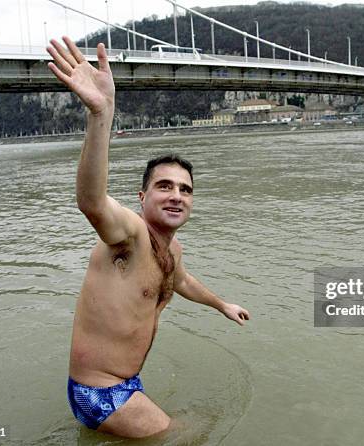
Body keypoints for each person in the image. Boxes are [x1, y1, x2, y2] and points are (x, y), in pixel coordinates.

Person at [46, 37, 250, 439]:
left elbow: (183, 281)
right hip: (99, 392)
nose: (177, 195)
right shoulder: (130, 236)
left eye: (186, 190)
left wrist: (222, 305)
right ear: (142, 197)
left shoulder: (171, 248)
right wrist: (100, 114)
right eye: (165, 186)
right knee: (195, 433)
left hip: (126, 384)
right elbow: (91, 201)